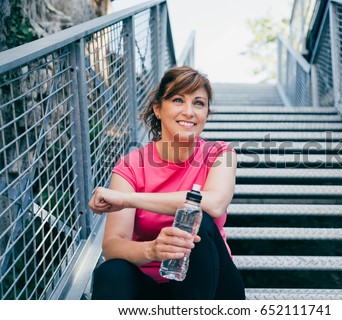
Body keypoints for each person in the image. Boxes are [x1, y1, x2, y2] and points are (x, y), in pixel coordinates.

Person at [88, 66, 245, 300]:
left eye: (199, 103)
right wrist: (151, 250)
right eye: (178, 100)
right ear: (158, 109)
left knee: (197, 223)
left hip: (214, 286)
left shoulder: (220, 153)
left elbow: (214, 203)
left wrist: (128, 199)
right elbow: (112, 246)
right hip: (152, 285)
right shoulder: (131, 165)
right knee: (111, 271)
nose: (189, 111)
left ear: (207, 114)